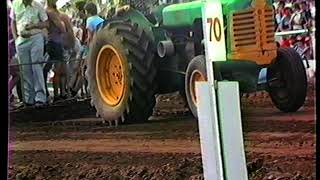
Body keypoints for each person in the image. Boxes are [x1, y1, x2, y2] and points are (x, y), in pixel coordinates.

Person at [10, 0, 49, 107]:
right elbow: (13, 21)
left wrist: (33, 26)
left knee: (36, 66)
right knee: (25, 69)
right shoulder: (16, 4)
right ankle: (29, 99)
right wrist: (15, 38)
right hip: (21, 40)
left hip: (36, 37)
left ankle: (40, 98)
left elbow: (46, 23)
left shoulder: (38, 5)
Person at [46, 0, 68, 102]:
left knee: (61, 69)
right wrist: (63, 23)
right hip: (54, 43)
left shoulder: (53, 11)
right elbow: (62, 28)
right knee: (57, 70)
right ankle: (56, 95)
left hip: (57, 42)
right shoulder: (50, 12)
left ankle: (62, 93)